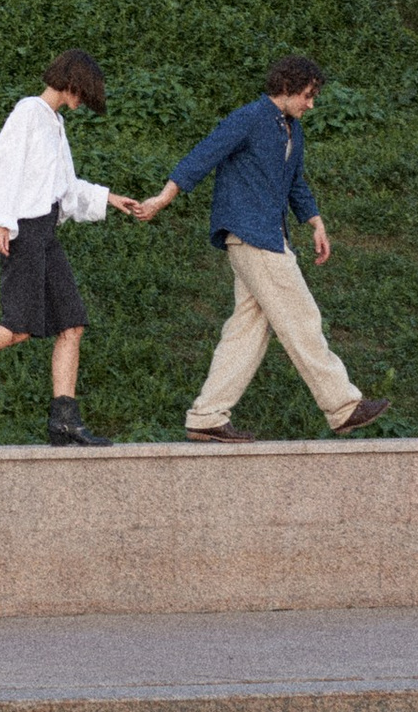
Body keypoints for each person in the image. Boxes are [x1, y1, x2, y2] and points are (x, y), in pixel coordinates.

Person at [136, 58, 389, 442]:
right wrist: (162, 198)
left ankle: (206, 415)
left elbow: (295, 182)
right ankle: (342, 406)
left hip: (268, 234)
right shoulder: (251, 117)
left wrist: (315, 222)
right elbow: (204, 154)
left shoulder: (292, 129)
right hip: (252, 235)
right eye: (307, 96)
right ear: (286, 87)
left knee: (247, 330)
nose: (311, 104)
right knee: (300, 315)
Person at [0, 53, 144, 448]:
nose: (83, 101)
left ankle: (64, 421)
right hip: (25, 231)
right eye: (83, 93)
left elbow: (63, 188)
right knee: (17, 326)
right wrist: (1, 220)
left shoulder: (55, 122)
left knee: (72, 324)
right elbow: (3, 164)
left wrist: (110, 198)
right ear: (72, 83)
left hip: (46, 231)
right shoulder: (29, 112)